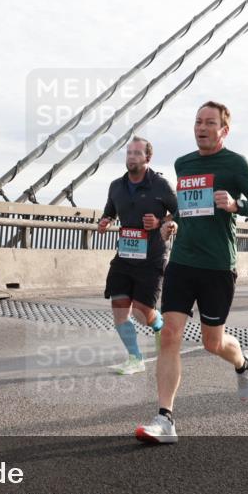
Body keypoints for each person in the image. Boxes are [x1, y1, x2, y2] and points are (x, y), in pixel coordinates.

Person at [135, 101, 248, 444]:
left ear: (224, 130)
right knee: (169, 335)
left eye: (210, 123)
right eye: (198, 121)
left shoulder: (235, 164)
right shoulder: (184, 163)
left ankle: (242, 363)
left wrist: (237, 205)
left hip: (217, 265)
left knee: (213, 342)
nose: (202, 127)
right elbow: (190, 209)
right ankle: (165, 419)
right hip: (182, 262)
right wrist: (172, 223)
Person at [97, 137, 178, 374]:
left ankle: (159, 325)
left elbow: (180, 212)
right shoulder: (116, 186)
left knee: (143, 314)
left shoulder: (161, 185)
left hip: (151, 258)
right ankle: (135, 358)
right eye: (128, 153)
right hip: (124, 257)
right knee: (120, 308)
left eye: (136, 153)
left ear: (147, 158)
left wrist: (161, 221)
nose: (131, 157)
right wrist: (105, 221)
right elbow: (109, 212)